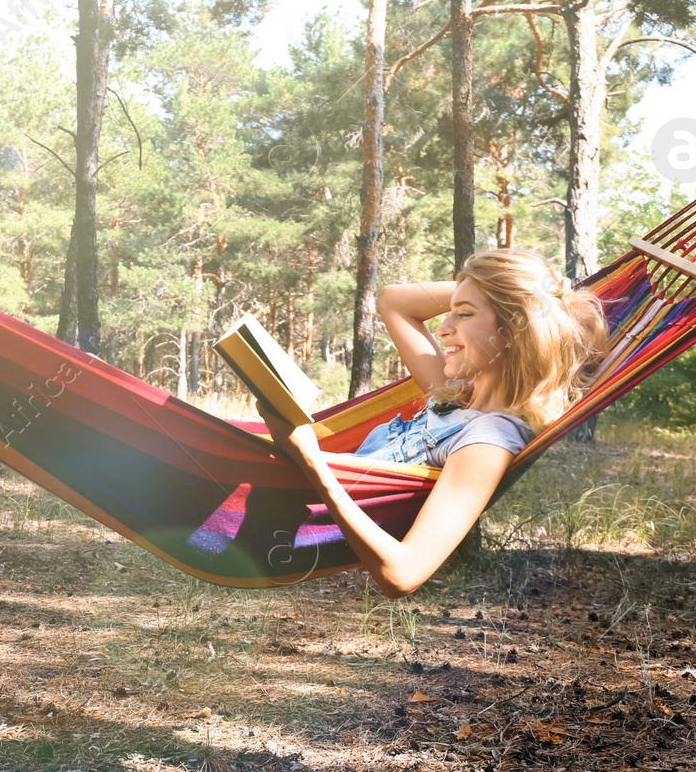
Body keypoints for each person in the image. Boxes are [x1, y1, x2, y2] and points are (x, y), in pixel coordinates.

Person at [259, 248, 608, 598]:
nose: (443, 328)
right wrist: (506, 291)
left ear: (516, 329)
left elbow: (402, 574)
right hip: (273, 498)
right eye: (450, 312)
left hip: (282, 522)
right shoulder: (452, 393)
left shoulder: (488, 441)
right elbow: (394, 301)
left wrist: (309, 458)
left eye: (464, 315)